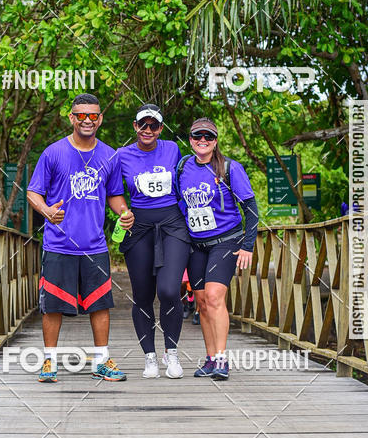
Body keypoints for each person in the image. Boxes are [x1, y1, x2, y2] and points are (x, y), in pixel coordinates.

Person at [26, 94, 134, 383]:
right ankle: (48, 361)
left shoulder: (109, 155)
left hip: (94, 245)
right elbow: (33, 192)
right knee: (53, 305)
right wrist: (46, 210)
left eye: (93, 116)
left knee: (100, 303)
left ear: (100, 119)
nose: (88, 120)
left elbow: (114, 195)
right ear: (72, 118)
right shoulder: (53, 153)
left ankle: (102, 361)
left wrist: (124, 213)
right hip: (59, 243)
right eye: (82, 116)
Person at [176, 117, 259, 381]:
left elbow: (251, 208)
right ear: (190, 140)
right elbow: (179, 204)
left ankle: (223, 359)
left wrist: (248, 246)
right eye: (197, 136)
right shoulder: (182, 168)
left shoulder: (229, 168)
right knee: (201, 302)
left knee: (213, 296)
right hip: (196, 243)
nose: (202, 141)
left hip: (226, 240)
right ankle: (211, 359)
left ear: (215, 141)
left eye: (208, 137)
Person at [116, 104, 191, 379]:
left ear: (160, 129)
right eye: (142, 125)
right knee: (143, 295)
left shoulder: (172, 149)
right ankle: (149, 357)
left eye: (154, 125)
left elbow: (187, 182)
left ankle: (171, 353)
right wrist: (124, 213)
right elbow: (113, 191)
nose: (148, 130)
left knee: (170, 290)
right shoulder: (121, 155)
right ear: (135, 127)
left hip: (172, 224)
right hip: (140, 227)